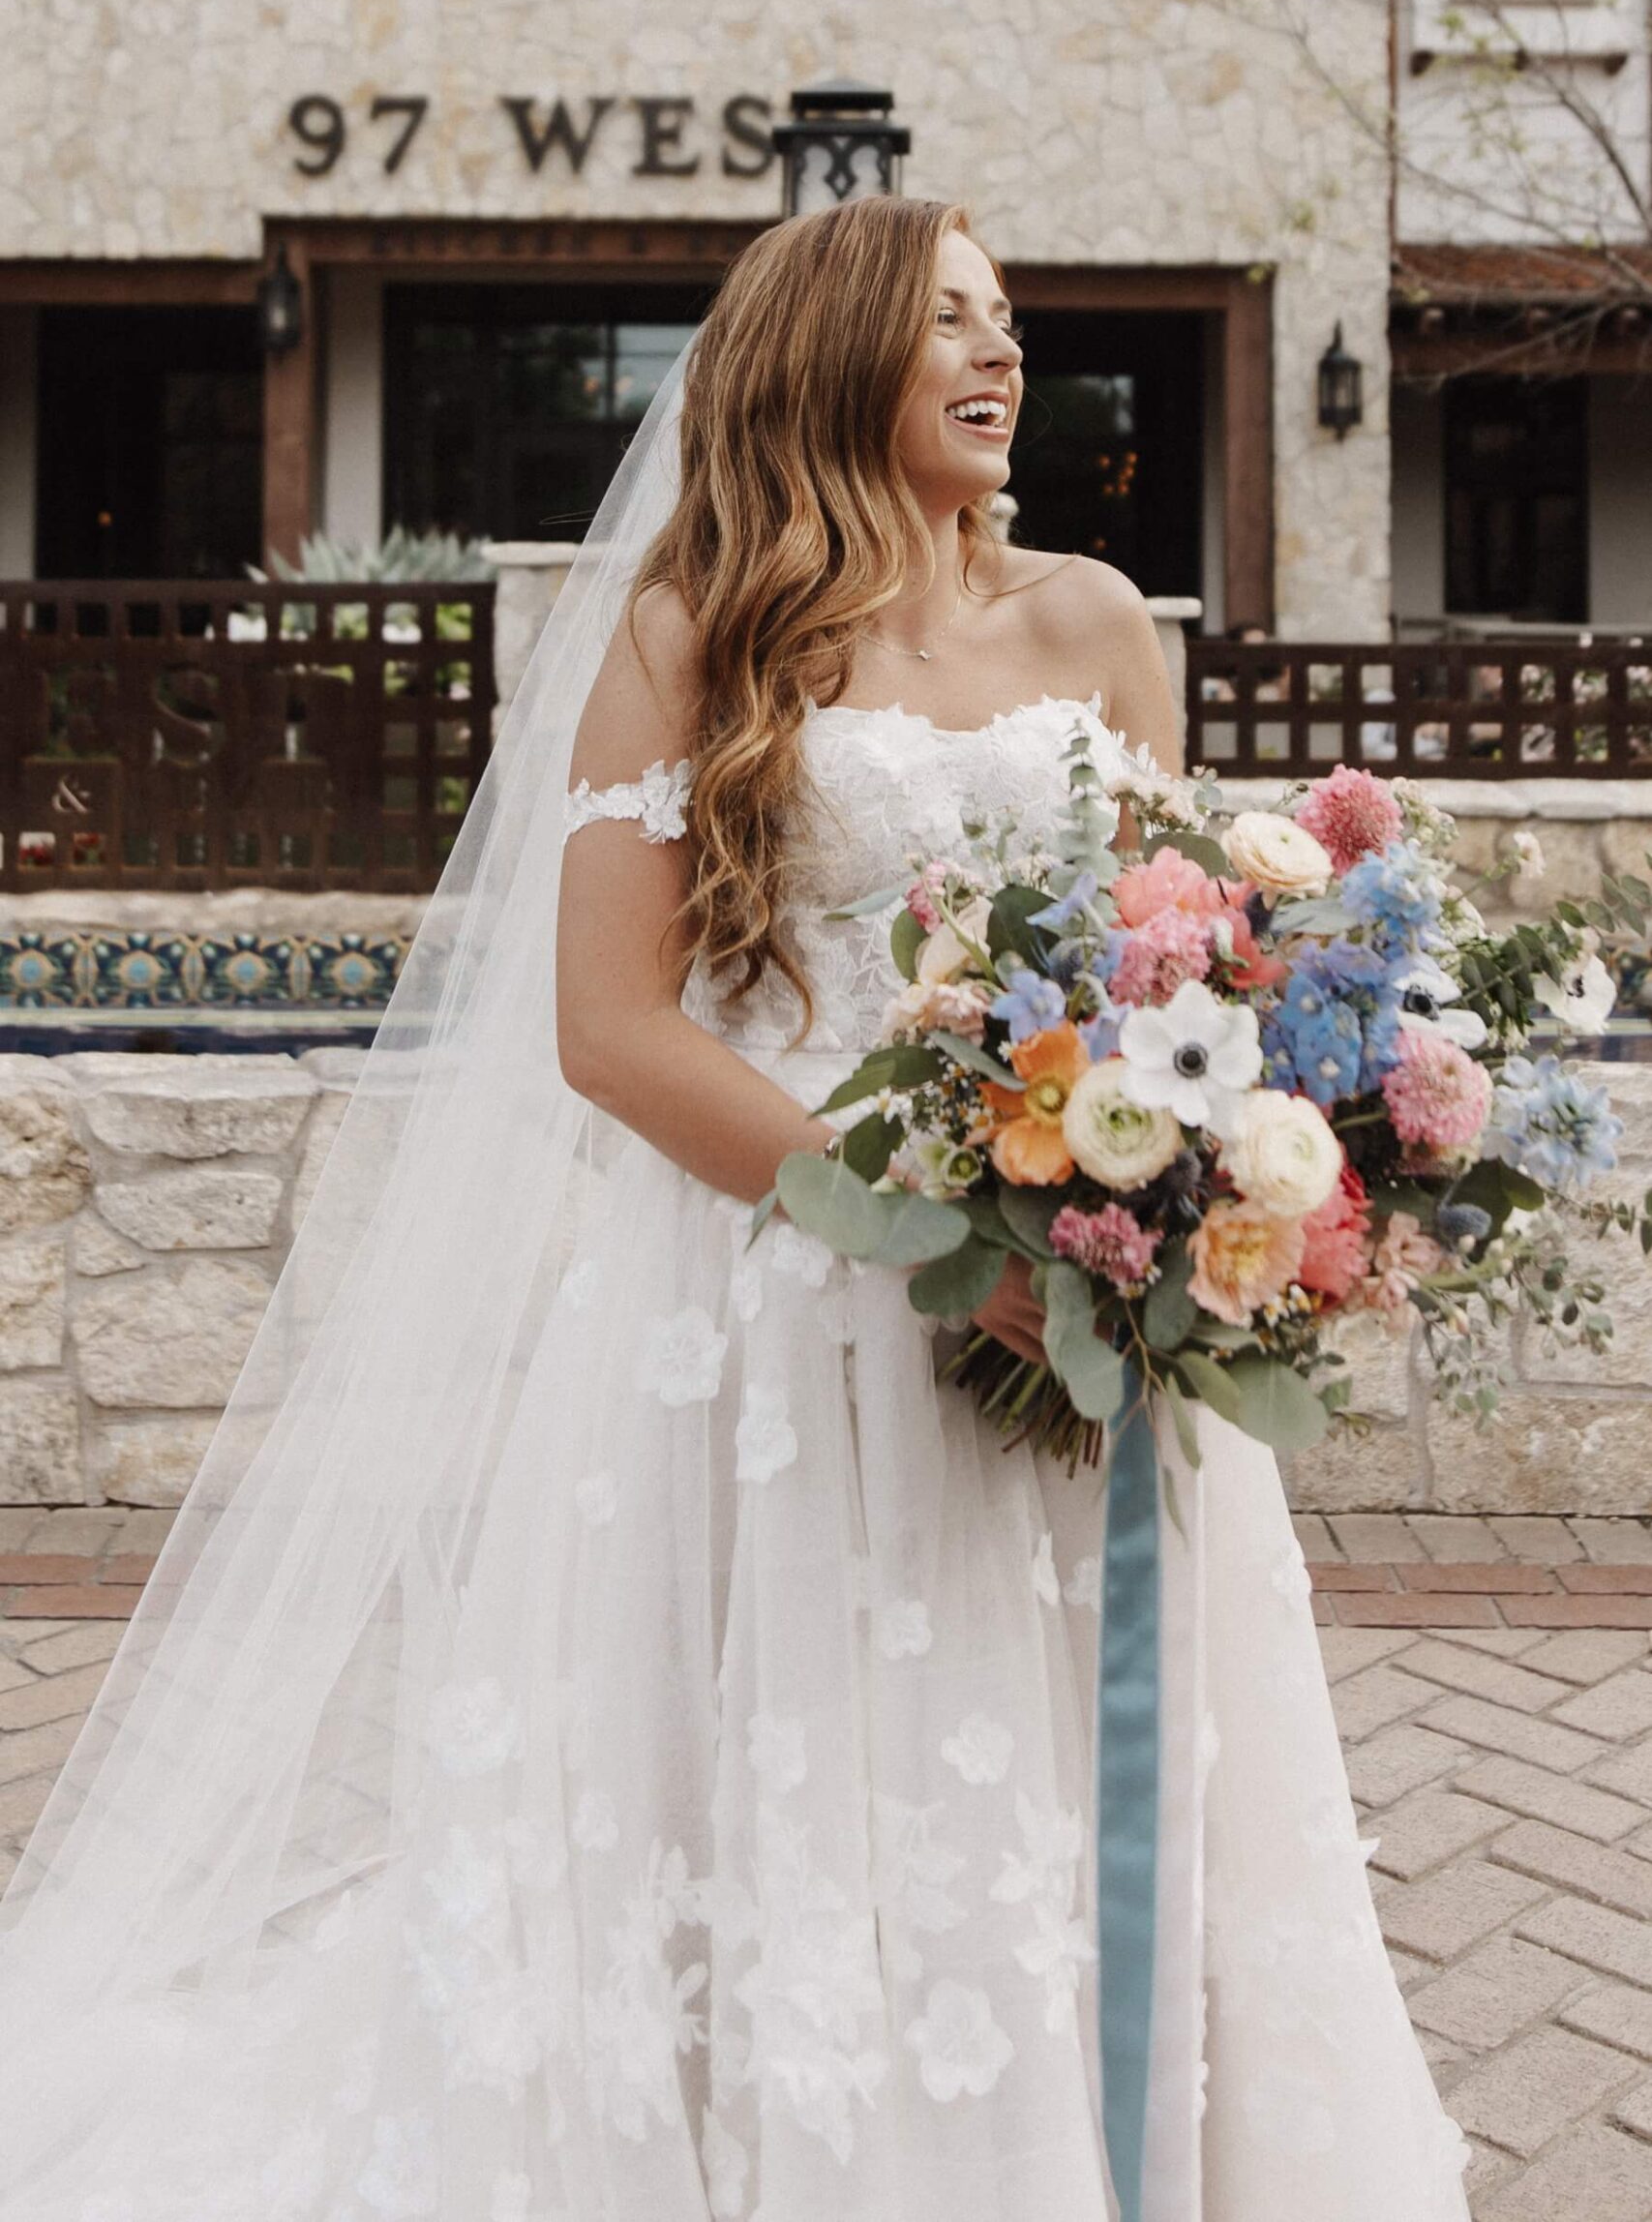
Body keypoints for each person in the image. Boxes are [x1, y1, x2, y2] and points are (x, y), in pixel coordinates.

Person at [0, 197, 1470, 2222]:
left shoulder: (1096, 621)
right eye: (947, 314)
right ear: (833, 351)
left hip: (1094, 1300)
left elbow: (1175, 965)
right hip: (786, 1297)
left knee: (1072, 1751)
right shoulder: (696, 630)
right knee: (784, 1770)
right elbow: (605, 1027)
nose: (1000, 349)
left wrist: (1214, 1188)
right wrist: (929, 1228)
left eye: (1009, 315)